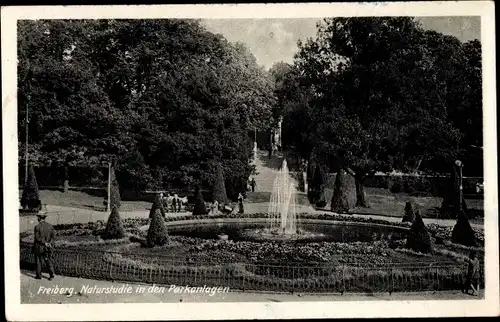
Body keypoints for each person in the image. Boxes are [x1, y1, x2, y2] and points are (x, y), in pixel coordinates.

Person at [32, 213, 56, 280]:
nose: (37, 219)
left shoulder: (37, 227)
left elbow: (37, 238)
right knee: (48, 261)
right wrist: (49, 243)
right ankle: (51, 275)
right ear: (44, 218)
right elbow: (53, 237)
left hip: (39, 247)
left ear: (39, 218)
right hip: (48, 247)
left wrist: (44, 243)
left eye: (38, 218)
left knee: (38, 261)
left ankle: (39, 276)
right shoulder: (50, 226)